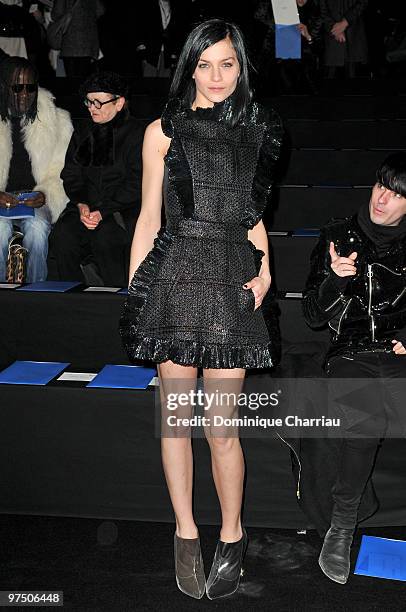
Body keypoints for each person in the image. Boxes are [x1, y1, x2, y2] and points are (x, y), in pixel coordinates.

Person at [120, 19, 283, 600]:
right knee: (176, 421)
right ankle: (186, 532)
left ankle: (233, 533)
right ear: (189, 64)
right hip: (174, 280)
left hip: (230, 284)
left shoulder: (257, 130)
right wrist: (137, 295)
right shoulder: (161, 132)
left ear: (242, 68)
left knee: (220, 427)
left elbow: (254, 216)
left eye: (228, 64)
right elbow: (147, 219)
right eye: (206, 63)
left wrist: (264, 269)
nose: (217, 77)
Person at [302, 152, 406, 584]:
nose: (383, 197)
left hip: (400, 353)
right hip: (352, 352)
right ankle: (342, 528)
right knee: (364, 416)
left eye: (398, 193)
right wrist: (336, 277)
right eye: (382, 185)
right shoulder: (336, 236)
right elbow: (311, 314)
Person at [49, 71, 143, 287]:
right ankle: (70, 296)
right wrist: (82, 204)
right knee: (62, 236)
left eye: (98, 103)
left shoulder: (137, 134)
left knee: (106, 239)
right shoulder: (84, 131)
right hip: (86, 208)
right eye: (89, 102)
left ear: (119, 103)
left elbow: (136, 183)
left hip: (121, 210)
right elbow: (71, 174)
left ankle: (116, 299)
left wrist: (102, 211)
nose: (91, 108)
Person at [0, 56, 72, 282]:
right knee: (0, 230)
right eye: (17, 87)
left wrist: (45, 195)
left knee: (38, 230)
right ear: (3, 87)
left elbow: (62, 172)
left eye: (30, 87)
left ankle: (36, 294)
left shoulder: (57, 120)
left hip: (36, 199)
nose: (24, 94)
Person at [51, 0, 105, 79]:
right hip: (88, 44)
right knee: (84, 79)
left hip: (69, 44)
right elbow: (101, 11)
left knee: (70, 80)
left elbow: (56, 14)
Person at [319, 0, 368, 78]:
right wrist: (334, 28)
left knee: (355, 83)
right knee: (327, 83)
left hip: (354, 39)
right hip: (331, 40)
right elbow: (321, 8)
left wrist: (345, 22)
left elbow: (363, 2)